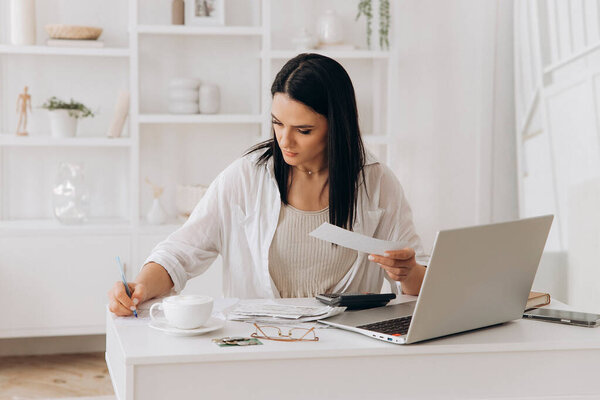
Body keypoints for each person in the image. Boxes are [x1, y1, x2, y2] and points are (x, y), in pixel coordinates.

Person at [108, 53, 427, 317]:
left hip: (345, 349)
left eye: (303, 130)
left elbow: (422, 277)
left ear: (337, 126)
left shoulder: (377, 182)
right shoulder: (244, 177)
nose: (284, 141)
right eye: (277, 123)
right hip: (260, 343)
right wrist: (139, 287)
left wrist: (407, 272)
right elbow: (180, 253)